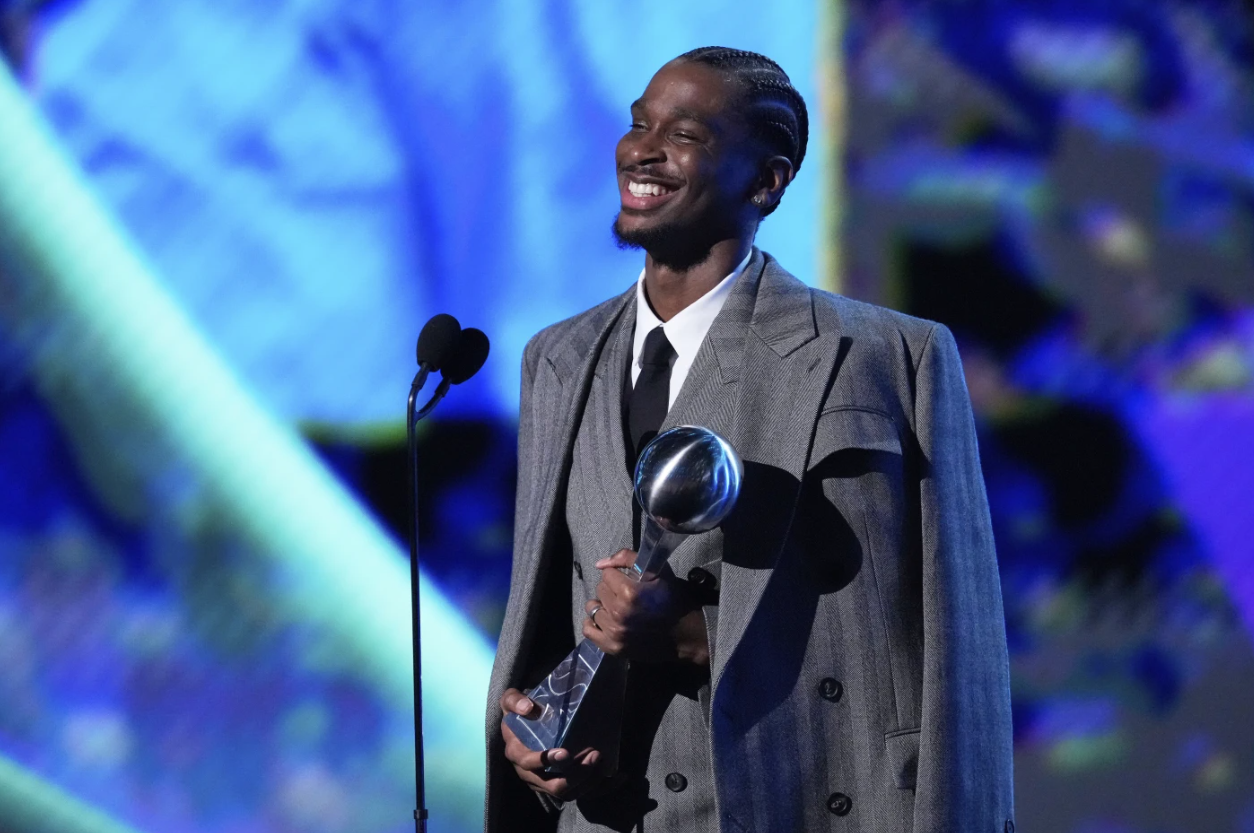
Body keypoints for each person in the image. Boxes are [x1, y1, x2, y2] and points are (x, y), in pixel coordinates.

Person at [485, 46, 1014, 833]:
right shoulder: (557, 359)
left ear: (766, 181)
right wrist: (535, 729)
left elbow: (953, 646)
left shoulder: (887, 356)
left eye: (687, 134)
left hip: (808, 801)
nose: (643, 149)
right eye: (639, 124)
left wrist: (692, 635)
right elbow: (550, 613)